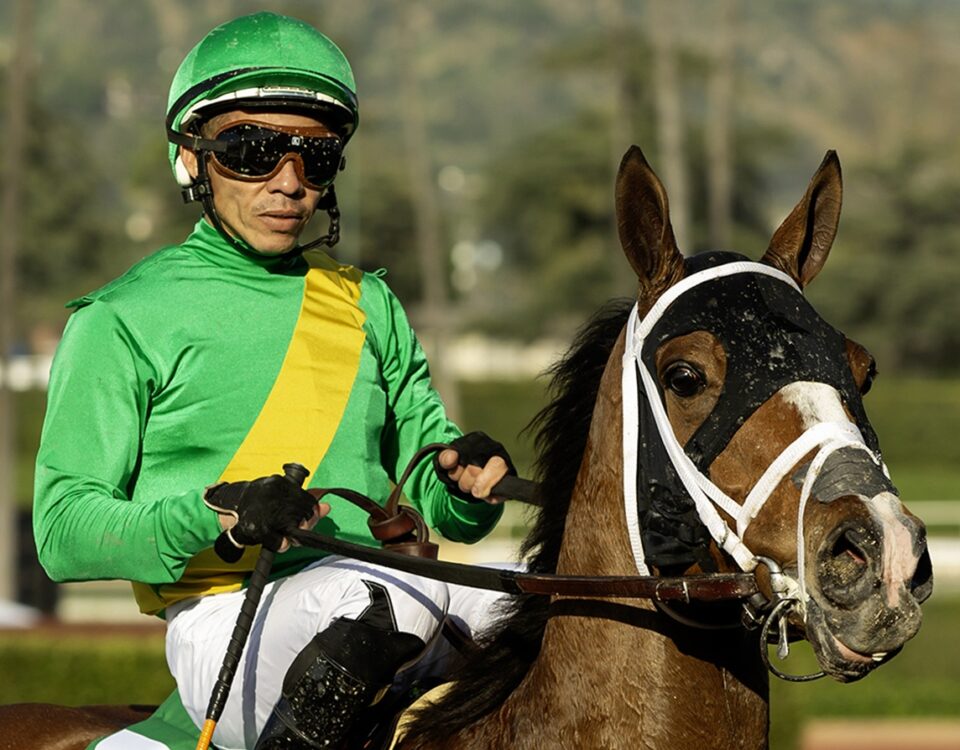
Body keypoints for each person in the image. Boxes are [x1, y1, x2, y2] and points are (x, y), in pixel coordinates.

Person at [33, 12, 517, 750]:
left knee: (560, 590)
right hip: (227, 622)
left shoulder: (367, 302)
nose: (289, 183)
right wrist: (217, 514)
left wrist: (461, 480)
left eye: (315, 159)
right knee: (383, 596)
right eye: (252, 151)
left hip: (386, 596)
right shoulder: (119, 318)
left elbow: (429, 487)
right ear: (192, 159)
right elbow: (63, 530)